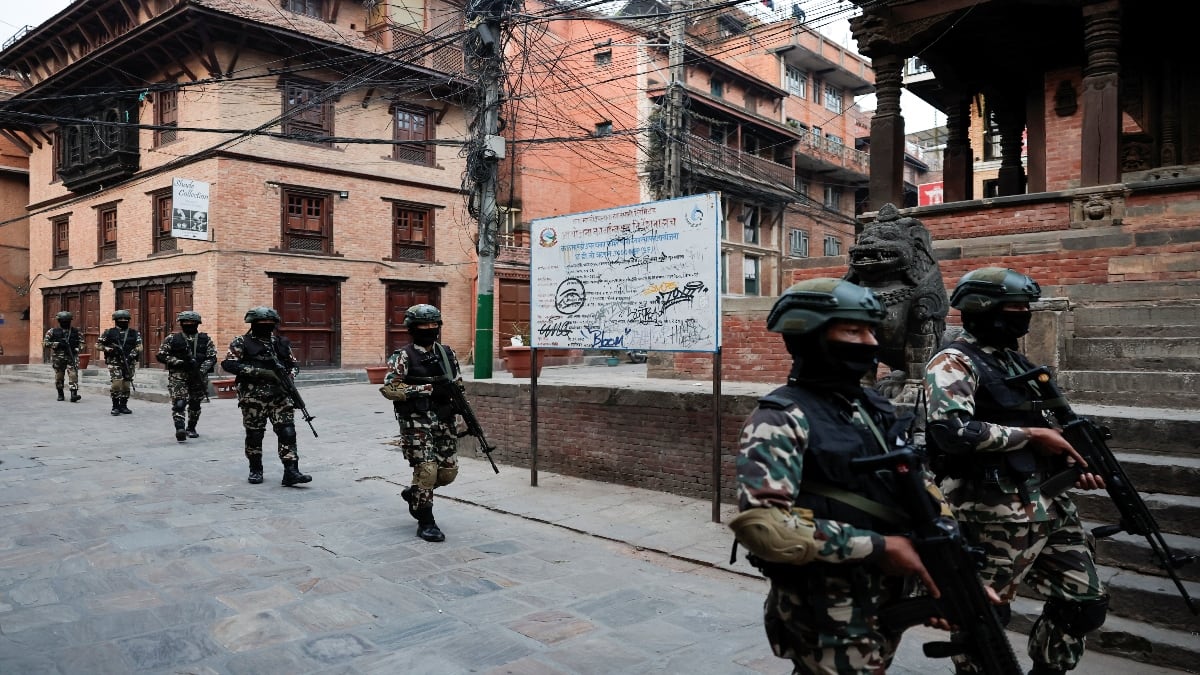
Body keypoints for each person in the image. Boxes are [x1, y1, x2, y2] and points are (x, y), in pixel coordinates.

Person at [730, 278, 949, 674]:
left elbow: (914, 483)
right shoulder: (780, 419)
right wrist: (879, 547)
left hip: (886, 596)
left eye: (871, 331)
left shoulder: (870, 406)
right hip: (828, 607)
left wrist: (946, 565)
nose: (870, 342)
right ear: (810, 335)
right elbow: (764, 527)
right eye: (853, 330)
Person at [925, 267, 1108, 675]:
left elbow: (1044, 424)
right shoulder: (953, 361)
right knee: (985, 616)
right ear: (983, 310)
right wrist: (1031, 436)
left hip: (1048, 500)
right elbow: (951, 431)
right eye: (1014, 308)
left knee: (1084, 603)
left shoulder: (1013, 361)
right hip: (990, 507)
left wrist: (1070, 459)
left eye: (1026, 307)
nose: (1024, 315)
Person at [383, 304, 464, 542]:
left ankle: (415, 492)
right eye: (423, 325)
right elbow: (390, 389)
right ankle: (426, 522)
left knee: (447, 473)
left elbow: (458, 385)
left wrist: (462, 413)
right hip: (416, 422)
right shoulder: (403, 356)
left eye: (433, 324)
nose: (429, 329)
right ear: (412, 328)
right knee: (427, 470)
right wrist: (426, 389)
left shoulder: (448, 353)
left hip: (444, 420)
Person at [221, 306, 312, 487]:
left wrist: (288, 376)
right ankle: (255, 469)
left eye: (270, 323)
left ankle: (291, 471)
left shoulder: (280, 343)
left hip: (280, 396)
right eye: (262, 322)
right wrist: (259, 372)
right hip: (253, 397)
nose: (266, 325)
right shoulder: (242, 342)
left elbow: (294, 365)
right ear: (253, 323)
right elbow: (229, 364)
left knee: (287, 431)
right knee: (255, 434)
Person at [156, 311, 217, 442]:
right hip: (179, 375)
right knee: (179, 403)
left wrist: (201, 370)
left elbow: (212, 357)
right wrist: (179, 362)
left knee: (195, 404)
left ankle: (191, 428)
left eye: (192, 322)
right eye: (186, 322)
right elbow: (161, 355)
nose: (189, 324)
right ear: (181, 323)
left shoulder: (205, 339)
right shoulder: (172, 339)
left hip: (198, 376)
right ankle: (180, 429)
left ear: (197, 324)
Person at [96, 309, 142, 415]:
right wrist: (108, 349)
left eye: (125, 320)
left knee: (126, 384)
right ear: (116, 320)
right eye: (120, 320)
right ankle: (115, 406)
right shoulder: (109, 332)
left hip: (128, 362)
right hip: (114, 362)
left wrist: (131, 355)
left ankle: (123, 406)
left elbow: (139, 346)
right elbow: (98, 345)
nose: (123, 321)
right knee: (116, 383)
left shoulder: (134, 333)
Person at [43, 310, 84, 402]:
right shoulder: (52, 331)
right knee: (59, 376)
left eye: (67, 321)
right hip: (58, 358)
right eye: (63, 321)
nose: (65, 323)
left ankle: (74, 394)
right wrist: (57, 344)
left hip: (72, 356)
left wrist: (77, 348)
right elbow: (45, 343)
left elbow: (82, 343)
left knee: (73, 375)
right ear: (59, 321)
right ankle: (60, 394)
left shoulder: (76, 332)